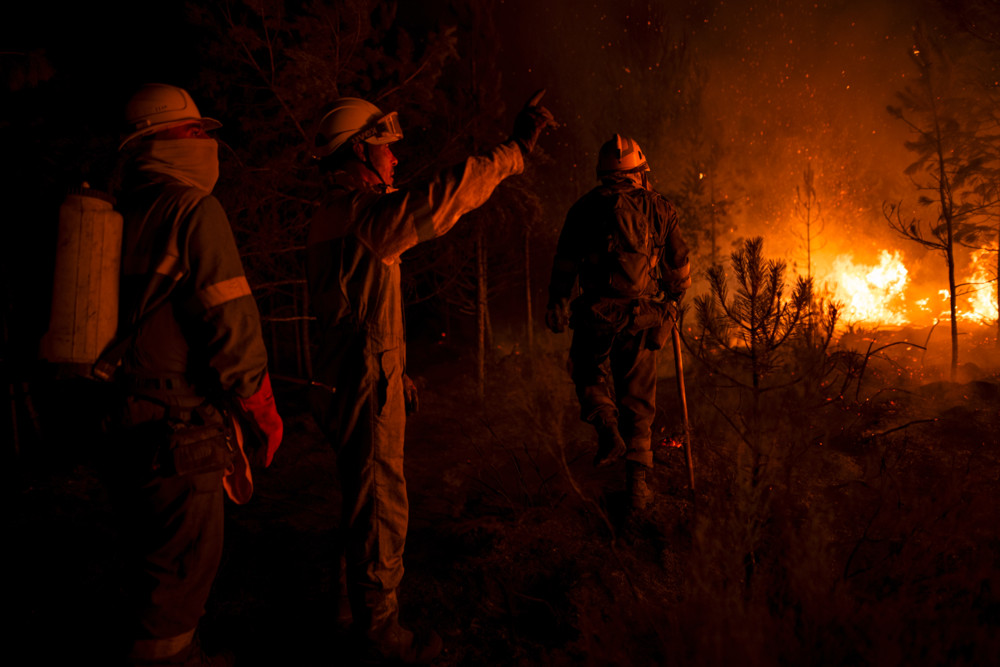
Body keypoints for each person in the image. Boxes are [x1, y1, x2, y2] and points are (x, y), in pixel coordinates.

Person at [305, 91, 554, 663]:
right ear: (359, 152)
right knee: (380, 500)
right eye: (386, 148)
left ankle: (349, 608)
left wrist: (398, 367)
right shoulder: (365, 215)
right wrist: (512, 152)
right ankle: (380, 634)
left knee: (357, 494)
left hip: (349, 374)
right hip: (364, 381)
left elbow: (356, 309)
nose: (395, 159)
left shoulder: (332, 214)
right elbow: (444, 199)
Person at [109, 83, 284, 666]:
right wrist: (260, 409)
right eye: (195, 130)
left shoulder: (115, 213)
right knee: (180, 570)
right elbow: (231, 324)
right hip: (178, 428)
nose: (207, 140)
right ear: (156, 139)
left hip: (120, 419)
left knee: (141, 563)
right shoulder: (189, 209)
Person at [545, 134, 690, 512]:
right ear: (639, 171)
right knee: (639, 401)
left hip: (595, 314)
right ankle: (637, 491)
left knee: (587, 372)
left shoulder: (584, 208)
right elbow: (678, 263)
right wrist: (674, 300)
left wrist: (557, 303)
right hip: (642, 317)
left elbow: (565, 262)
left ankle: (607, 428)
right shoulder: (660, 208)